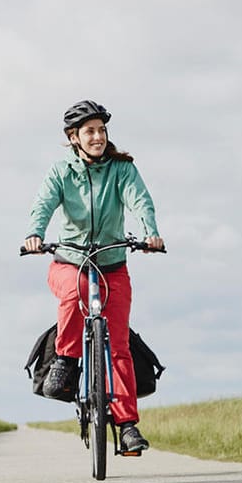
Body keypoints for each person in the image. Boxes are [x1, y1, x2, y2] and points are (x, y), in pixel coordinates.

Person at [22, 100, 164, 456]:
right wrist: (34, 234)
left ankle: (128, 425)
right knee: (75, 292)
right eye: (90, 131)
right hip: (69, 262)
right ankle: (66, 360)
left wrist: (150, 233)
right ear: (74, 138)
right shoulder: (60, 172)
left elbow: (140, 201)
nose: (98, 137)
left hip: (113, 264)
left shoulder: (122, 169)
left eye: (102, 130)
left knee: (118, 346)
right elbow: (43, 204)